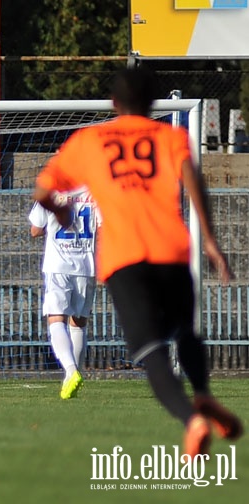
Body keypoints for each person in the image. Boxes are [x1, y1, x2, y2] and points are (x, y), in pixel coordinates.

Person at [32, 67, 243, 458]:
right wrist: (211, 243)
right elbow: (194, 183)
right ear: (153, 102)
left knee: (149, 349)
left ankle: (191, 418)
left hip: (124, 256)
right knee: (185, 332)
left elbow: (43, 190)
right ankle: (202, 394)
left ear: (114, 102)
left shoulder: (89, 140)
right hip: (172, 248)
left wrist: (59, 215)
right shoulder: (170, 136)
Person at [29, 186, 97, 399]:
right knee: (78, 322)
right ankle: (74, 376)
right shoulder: (95, 188)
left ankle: (70, 371)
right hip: (86, 264)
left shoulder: (52, 188)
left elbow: (35, 229)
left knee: (56, 319)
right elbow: (104, 227)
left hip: (58, 265)